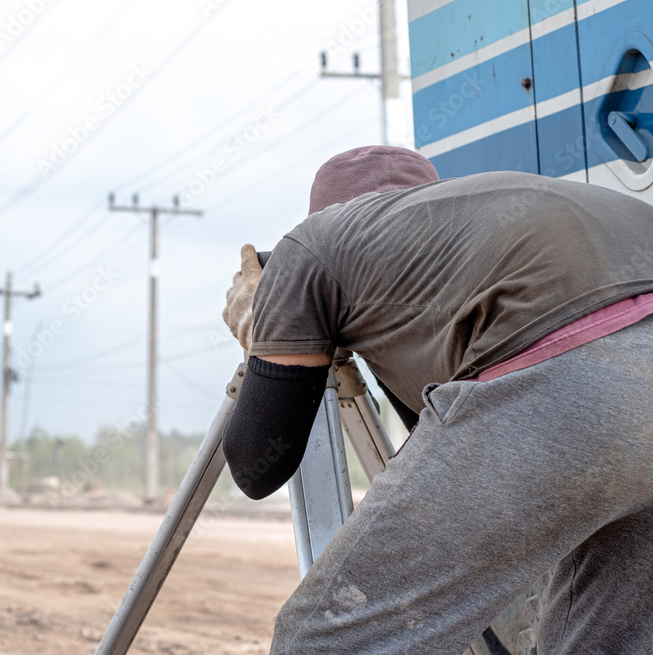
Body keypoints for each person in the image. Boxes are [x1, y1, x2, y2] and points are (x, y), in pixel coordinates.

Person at [221, 145, 653, 654]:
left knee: (325, 639)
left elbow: (256, 468)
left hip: (571, 392)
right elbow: (436, 426)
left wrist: (267, 327)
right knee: (600, 640)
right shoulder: (484, 229)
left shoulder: (314, 245)